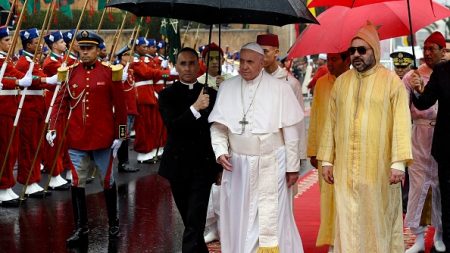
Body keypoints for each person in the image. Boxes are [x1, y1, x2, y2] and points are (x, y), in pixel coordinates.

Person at [317, 22, 412, 253]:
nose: (356, 55)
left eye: (362, 50)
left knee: (376, 220)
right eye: (352, 51)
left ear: (375, 51)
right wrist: (328, 160)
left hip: (379, 170)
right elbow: (331, 123)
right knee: (348, 220)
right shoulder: (341, 83)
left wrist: (398, 164)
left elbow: (401, 123)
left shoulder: (392, 83)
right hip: (346, 170)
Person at [209, 42, 305, 253]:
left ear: (262, 63)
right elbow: (218, 127)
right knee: (239, 216)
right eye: (241, 61)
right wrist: (220, 151)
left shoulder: (281, 89)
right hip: (238, 166)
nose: (243, 66)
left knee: (270, 218)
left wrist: (292, 167)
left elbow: (290, 133)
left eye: (250, 62)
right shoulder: (227, 87)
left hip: (272, 163)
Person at [47, 30, 127, 246]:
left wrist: (121, 135)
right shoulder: (69, 72)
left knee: (107, 181)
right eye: (81, 48)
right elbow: (61, 102)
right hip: (77, 138)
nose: (84, 52)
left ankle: (113, 224)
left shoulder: (111, 72)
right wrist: (52, 126)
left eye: (89, 48)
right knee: (77, 182)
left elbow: (120, 107)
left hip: (103, 138)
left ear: (98, 50)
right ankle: (81, 229)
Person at [158, 47, 222, 253]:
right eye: (183, 63)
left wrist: (219, 166)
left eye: (192, 63)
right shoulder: (167, 95)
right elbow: (174, 126)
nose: (188, 68)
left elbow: (216, 129)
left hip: (203, 166)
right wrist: (195, 108)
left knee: (196, 219)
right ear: (176, 66)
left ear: (198, 65)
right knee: (190, 220)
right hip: (177, 165)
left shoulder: (211, 93)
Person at [408, 31, 450, 252]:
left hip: (440, 141)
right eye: (424, 48)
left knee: (442, 193)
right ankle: (424, 238)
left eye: (432, 48)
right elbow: (420, 104)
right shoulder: (427, 74)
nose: (426, 53)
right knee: (427, 191)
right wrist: (416, 89)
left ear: (443, 51)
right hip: (430, 143)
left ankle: (441, 236)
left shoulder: (443, 70)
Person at [307, 51, 350, 253]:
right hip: (326, 152)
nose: (330, 64)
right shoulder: (322, 84)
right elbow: (315, 117)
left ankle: (348, 239)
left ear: (346, 60)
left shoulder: (355, 82)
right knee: (328, 200)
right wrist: (314, 150)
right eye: (329, 59)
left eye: (335, 59)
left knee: (348, 198)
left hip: (349, 150)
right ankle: (333, 241)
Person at [16, 28, 68, 192]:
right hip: (29, 108)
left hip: (38, 106)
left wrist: (49, 81)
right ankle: (28, 181)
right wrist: (49, 80)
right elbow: (33, 80)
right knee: (29, 146)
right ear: (29, 44)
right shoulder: (24, 62)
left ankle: (34, 179)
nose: (40, 44)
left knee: (36, 144)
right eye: (36, 42)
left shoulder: (33, 61)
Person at [0, 25, 42, 206]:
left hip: (10, 107)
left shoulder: (6, 60)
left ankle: (7, 185)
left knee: (12, 149)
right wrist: (18, 81)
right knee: (4, 150)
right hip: (2, 108)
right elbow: (6, 79)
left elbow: (18, 75)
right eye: (6, 40)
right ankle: (2, 187)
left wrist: (42, 80)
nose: (10, 43)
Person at [257, 33, 307, 174]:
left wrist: (299, 154)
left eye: (265, 51)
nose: (261, 55)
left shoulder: (290, 83)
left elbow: (299, 122)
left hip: (283, 149)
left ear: (276, 52)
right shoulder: (253, 81)